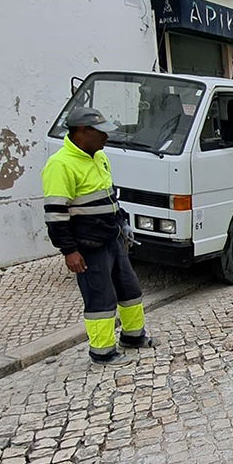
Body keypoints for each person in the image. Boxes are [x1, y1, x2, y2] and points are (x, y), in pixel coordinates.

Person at [42, 107, 154, 366]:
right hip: (89, 244)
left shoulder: (99, 157)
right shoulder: (60, 165)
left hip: (112, 237)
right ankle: (103, 352)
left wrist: (122, 222)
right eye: (101, 132)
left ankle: (133, 337)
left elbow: (108, 197)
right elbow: (56, 215)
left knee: (130, 289)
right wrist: (69, 251)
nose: (106, 137)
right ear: (82, 131)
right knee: (100, 297)